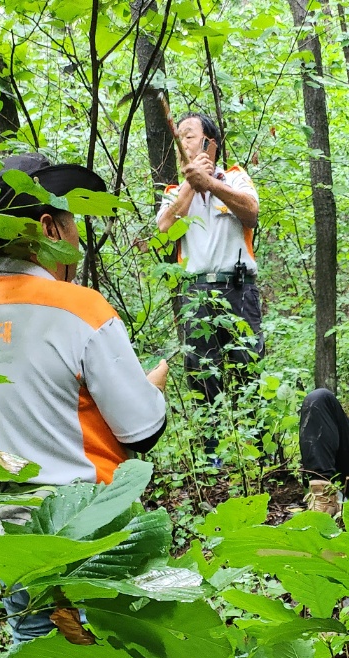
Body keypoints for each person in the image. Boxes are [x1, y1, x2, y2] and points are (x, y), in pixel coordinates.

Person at [0, 151, 169, 646]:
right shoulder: (78, 307)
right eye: (72, 225)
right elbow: (142, 431)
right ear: (49, 228)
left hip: (5, 536)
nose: (77, 241)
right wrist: (153, 387)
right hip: (84, 527)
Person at [155, 113, 262, 439]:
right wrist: (192, 183)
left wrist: (211, 184)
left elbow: (251, 213)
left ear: (209, 144)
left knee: (247, 366)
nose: (182, 143)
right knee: (202, 373)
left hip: (239, 289)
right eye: (179, 137)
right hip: (196, 293)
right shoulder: (175, 192)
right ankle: (212, 452)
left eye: (189, 135)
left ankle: (255, 447)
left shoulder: (235, 178)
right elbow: (164, 229)